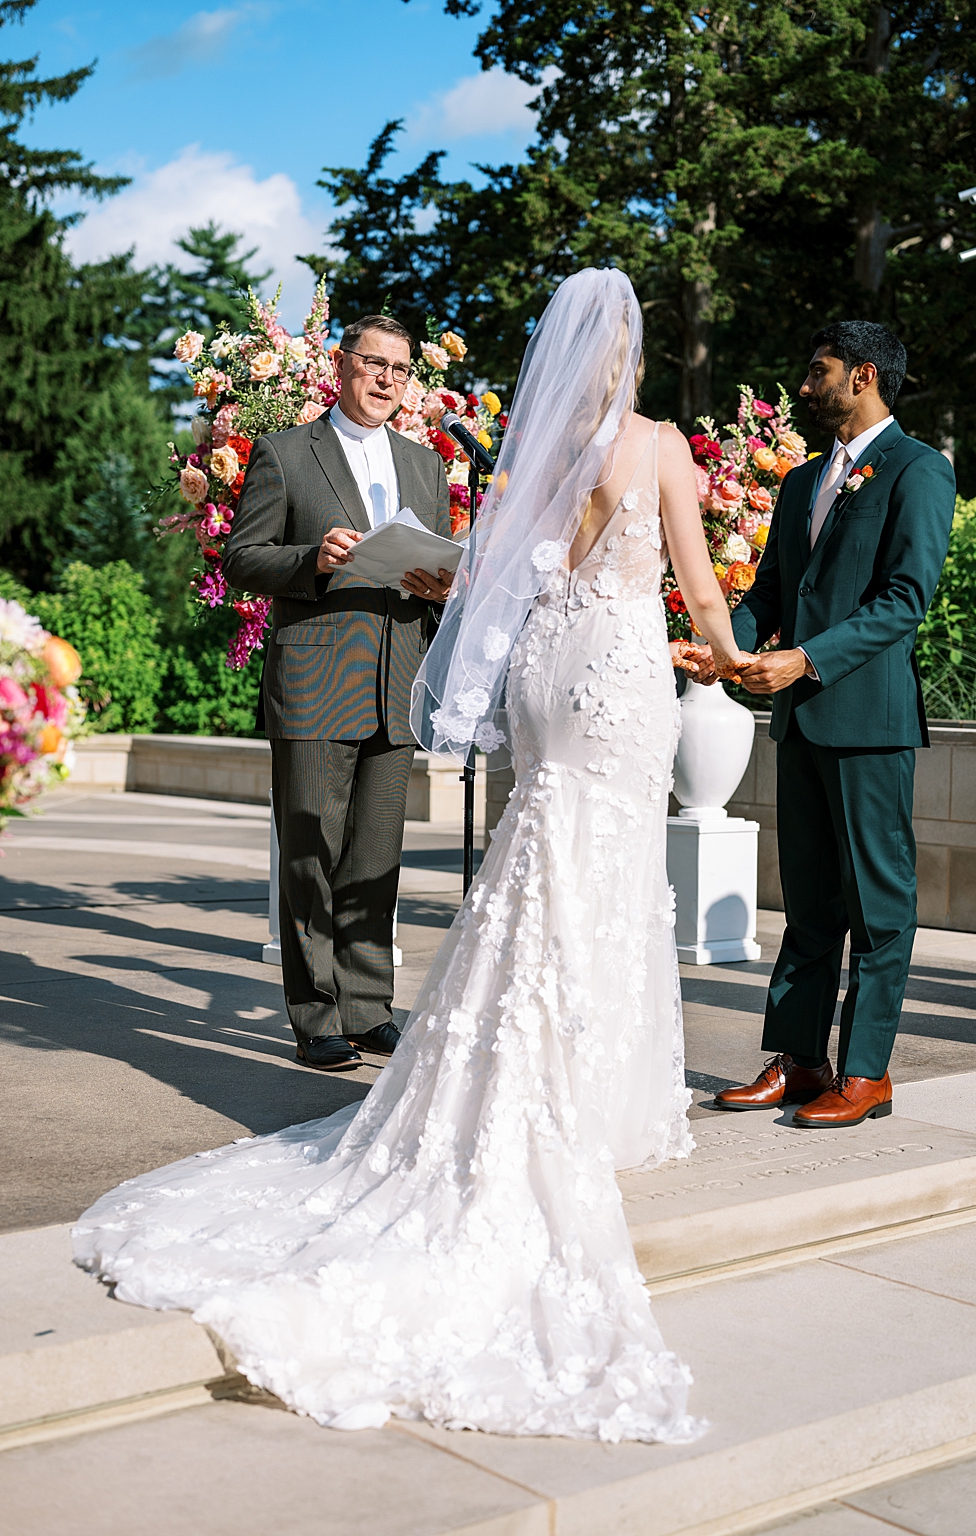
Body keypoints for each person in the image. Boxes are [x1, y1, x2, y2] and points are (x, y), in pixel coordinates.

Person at [73, 269, 749, 1443]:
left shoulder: (534, 455)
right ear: (633, 352)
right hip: (608, 674)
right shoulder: (654, 448)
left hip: (543, 677)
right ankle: (560, 1084)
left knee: (531, 864)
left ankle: (437, 1033)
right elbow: (696, 589)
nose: (386, 379)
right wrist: (735, 658)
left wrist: (451, 574)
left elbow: (492, 574)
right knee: (590, 876)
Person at [710, 321, 955, 1128]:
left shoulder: (919, 470)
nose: (806, 387)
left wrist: (805, 660)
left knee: (879, 908)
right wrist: (722, 649)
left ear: (864, 375)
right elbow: (769, 593)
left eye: (819, 371)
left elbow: (905, 600)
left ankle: (866, 1072)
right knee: (809, 907)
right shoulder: (800, 482)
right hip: (800, 725)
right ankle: (800, 1060)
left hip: (870, 725)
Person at [223, 315, 458, 1071]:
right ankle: (315, 1016)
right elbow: (242, 559)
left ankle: (367, 1008)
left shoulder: (426, 466)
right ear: (342, 364)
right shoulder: (286, 452)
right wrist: (313, 560)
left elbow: (443, 573)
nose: (387, 379)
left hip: (396, 682)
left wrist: (442, 587)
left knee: (375, 859)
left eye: (401, 369)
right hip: (317, 679)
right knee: (311, 854)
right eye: (374, 363)